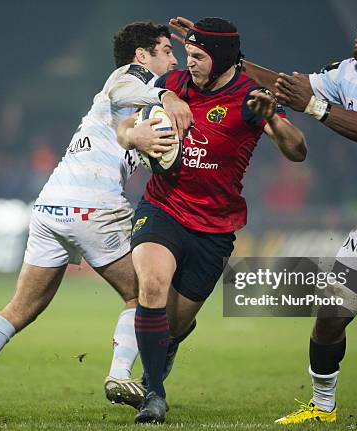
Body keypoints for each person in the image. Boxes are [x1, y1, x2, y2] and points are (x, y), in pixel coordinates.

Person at [183, 2, 357, 424]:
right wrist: (222, 54)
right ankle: (322, 408)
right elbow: (286, 86)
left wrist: (316, 108)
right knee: (329, 317)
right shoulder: (348, 74)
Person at [0, 21, 193, 418]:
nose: (173, 57)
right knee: (146, 297)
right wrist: (166, 93)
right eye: (166, 49)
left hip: (51, 208)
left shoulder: (140, 107)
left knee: (19, 309)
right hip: (94, 207)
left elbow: (131, 136)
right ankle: (119, 375)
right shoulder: (131, 78)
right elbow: (123, 88)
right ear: (141, 55)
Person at [117, 17, 307, 424]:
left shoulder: (249, 98)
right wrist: (160, 107)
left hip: (214, 227)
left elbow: (297, 150)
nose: (190, 63)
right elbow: (123, 121)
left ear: (221, 58)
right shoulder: (176, 85)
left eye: (199, 56)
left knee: (175, 324)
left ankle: (162, 350)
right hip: (162, 207)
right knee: (151, 284)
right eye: (188, 54)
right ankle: (153, 393)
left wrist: (273, 119)